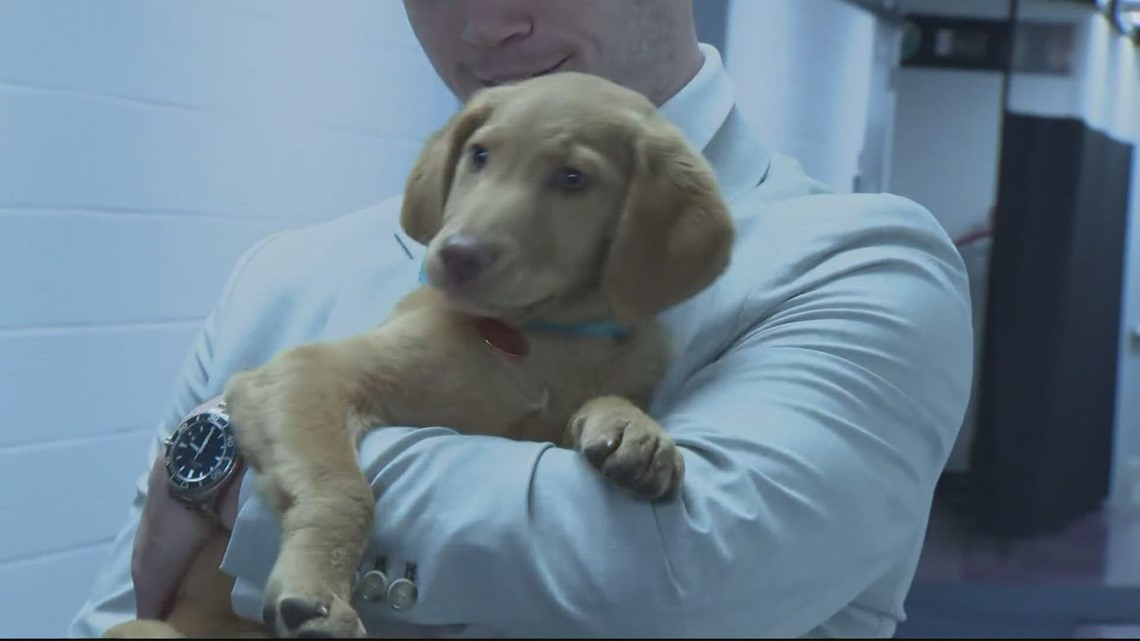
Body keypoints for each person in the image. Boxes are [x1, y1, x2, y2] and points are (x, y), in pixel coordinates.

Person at [69, 0, 974, 637]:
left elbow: (678, 577)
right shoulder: (286, 270)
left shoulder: (861, 264)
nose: (484, 23)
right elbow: (122, 613)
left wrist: (242, 458)